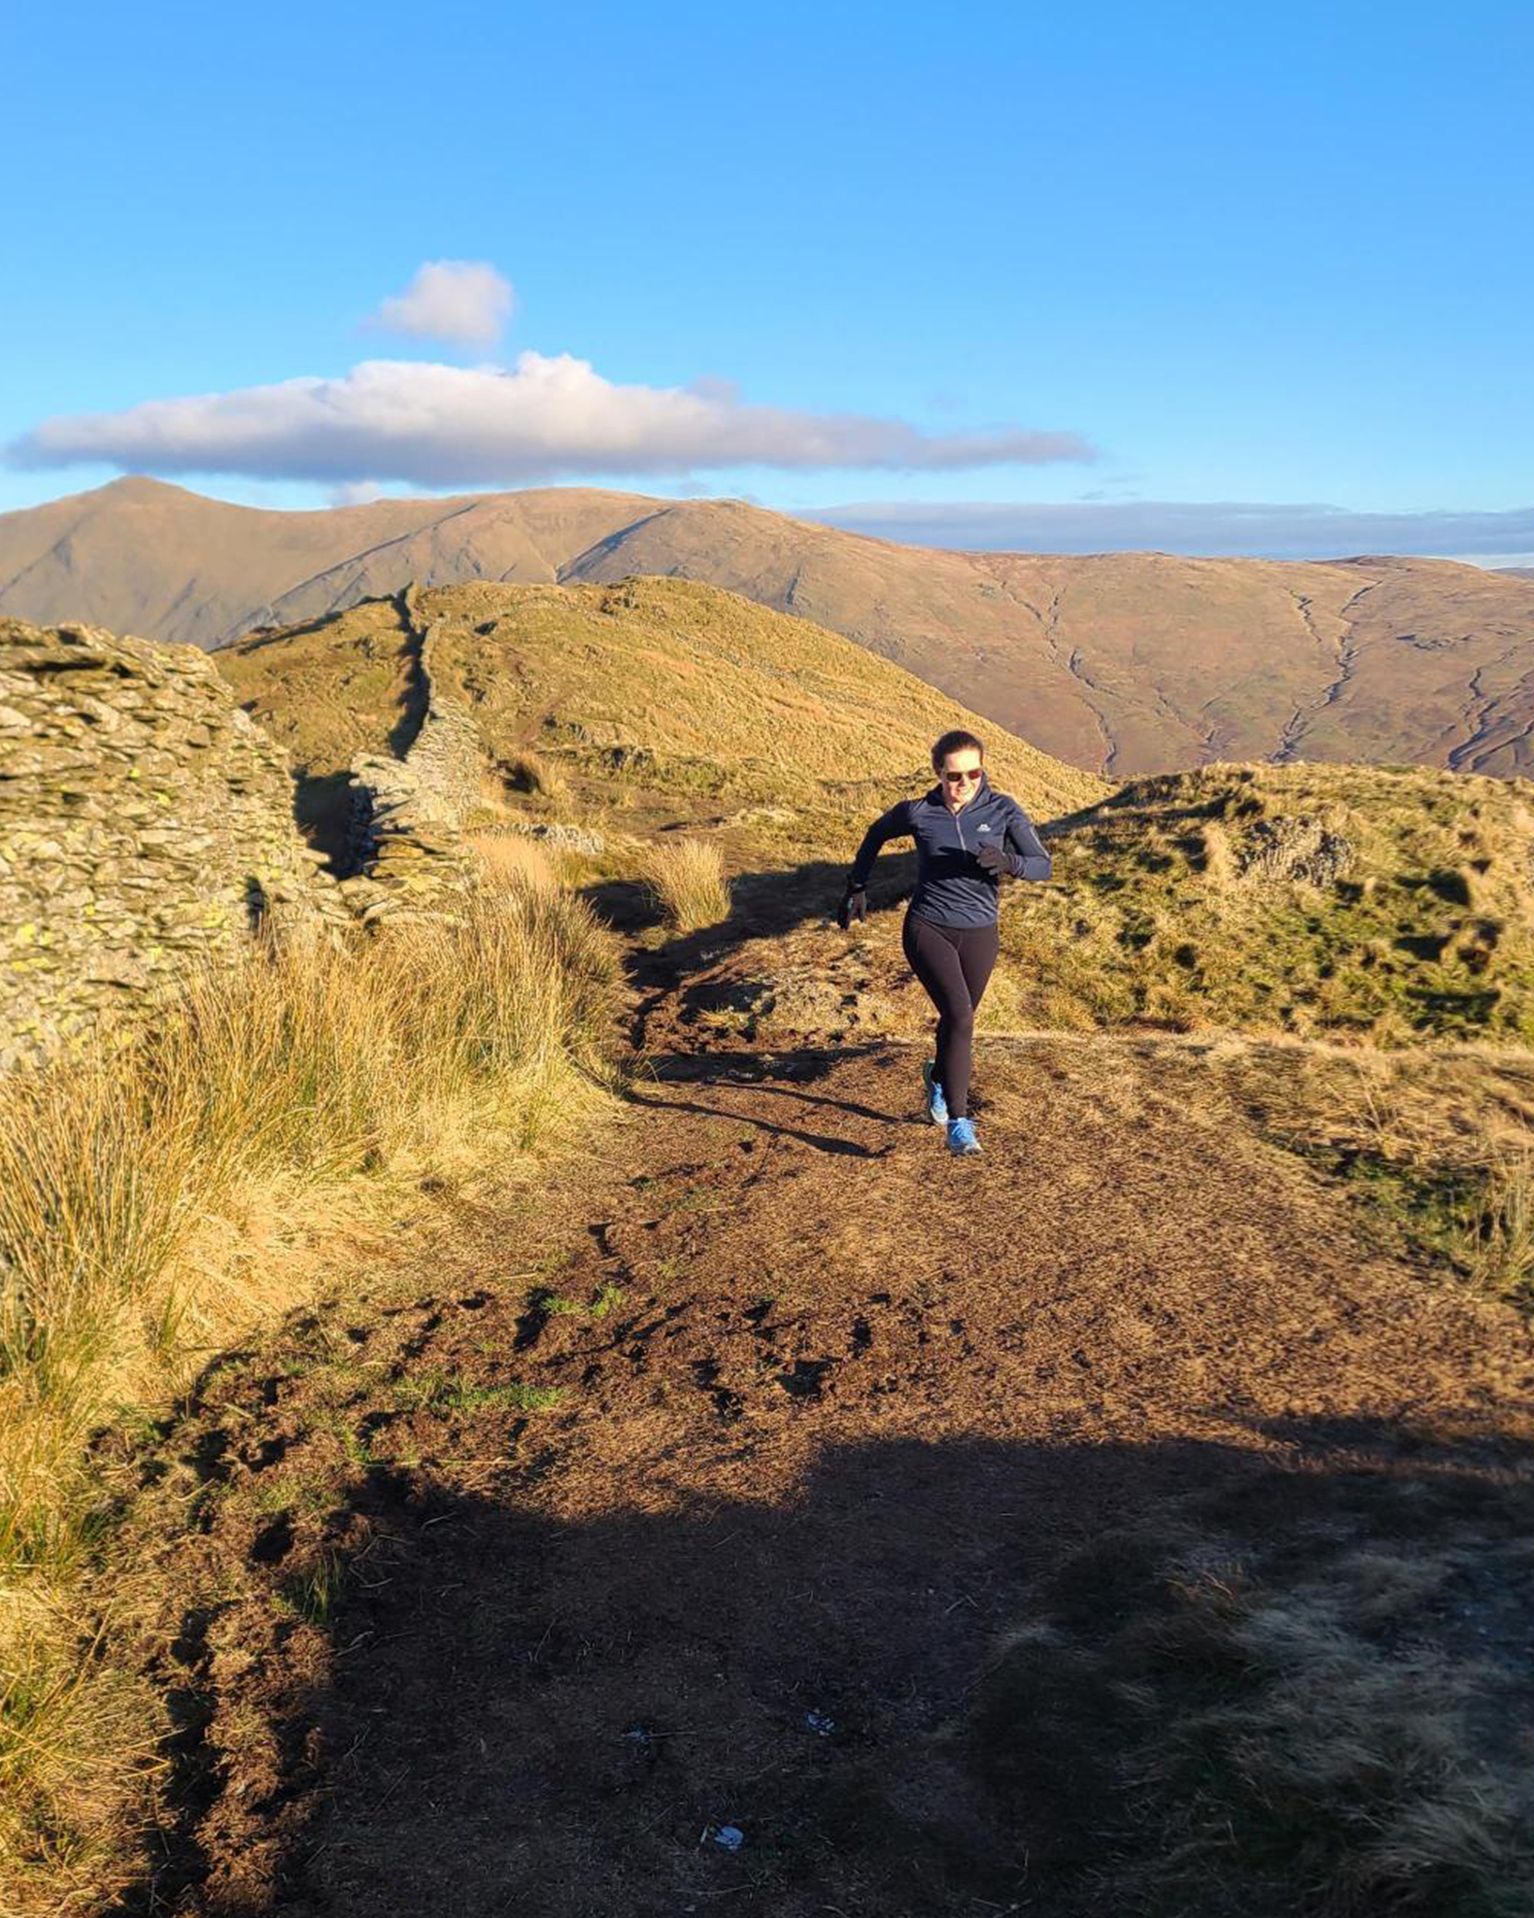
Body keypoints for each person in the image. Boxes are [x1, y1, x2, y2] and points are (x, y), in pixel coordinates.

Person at [837, 730, 1051, 1156]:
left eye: (974, 772)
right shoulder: (919, 813)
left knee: (958, 1020)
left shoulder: (1003, 810)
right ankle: (959, 1122)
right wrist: (856, 887)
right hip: (928, 926)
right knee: (960, 1015)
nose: (965, 783)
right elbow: (875, 833)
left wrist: (1009, 862)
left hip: (981, 931)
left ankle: (937, 1078)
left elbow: (1042, 866)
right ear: (938, 772)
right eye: (955, 775)